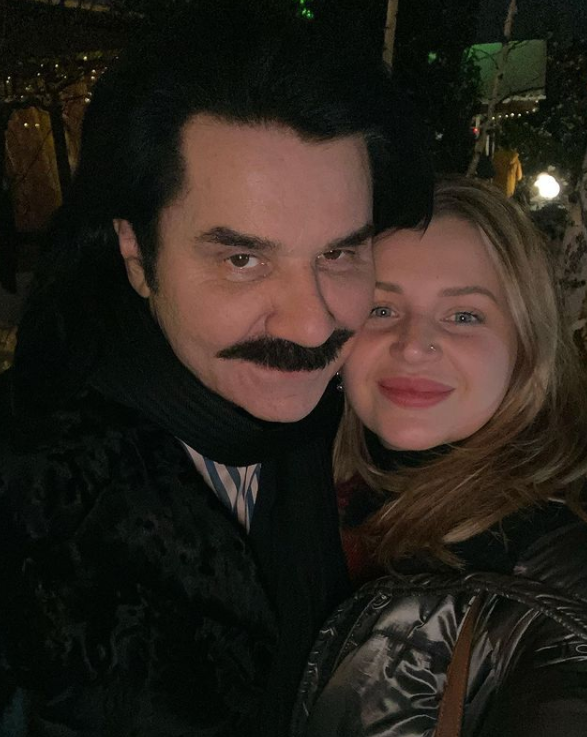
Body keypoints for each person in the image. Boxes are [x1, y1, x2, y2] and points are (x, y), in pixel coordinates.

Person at [0, 4, 433, 736]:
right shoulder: (32, 506)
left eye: (338, 253)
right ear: (137, 256)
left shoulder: (351, 433)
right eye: (241, 259)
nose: (311, 324)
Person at [292, 177, 587, 737]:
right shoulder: (301, 498)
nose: (412, 344)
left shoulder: (554, 587)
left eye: (464, 316)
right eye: (381, 308)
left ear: (527, 348)